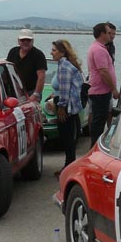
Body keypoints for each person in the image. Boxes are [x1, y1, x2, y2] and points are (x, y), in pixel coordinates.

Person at [50, 39, 85, 173]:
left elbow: (65, 89)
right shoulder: (63, 64)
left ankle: (68, 168)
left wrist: (61, 107)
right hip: (68, 105)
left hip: (66, 107)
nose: (51, 53)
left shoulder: (64, 66)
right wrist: (54, 94)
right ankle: (69, 166)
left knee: (67, 138)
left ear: (62, 52)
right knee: (69, 138)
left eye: (54, 50)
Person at [86, 22, 120, 145]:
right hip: (100, 92)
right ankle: (95, 146)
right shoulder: (98, 50)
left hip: (101, 91)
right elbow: (103, 71)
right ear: (102, 34)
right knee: (99, 122)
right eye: (108, 32)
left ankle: (96, 145)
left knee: (99, 120)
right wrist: (114, 89)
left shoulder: (100, 48)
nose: (110, 35)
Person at [6, 29, 47, 102]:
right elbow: (7, 71)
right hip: (14, 91)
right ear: (18, 41)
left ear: (32, 41)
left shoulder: (38, 55)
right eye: (23, 40)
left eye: (28, 40)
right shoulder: (13, 52)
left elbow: (41, 77)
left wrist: (36, 94)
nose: (25, 42)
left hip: (31, 91)